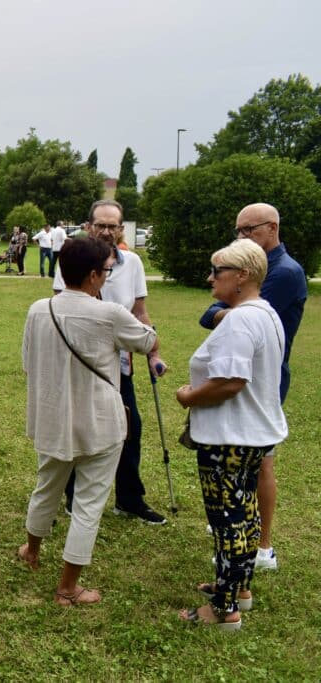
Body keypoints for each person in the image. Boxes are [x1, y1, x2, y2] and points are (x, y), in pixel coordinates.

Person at [19, 238, 157, 606]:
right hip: (100, 421)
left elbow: (27, 362)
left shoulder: (38, 309)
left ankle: (31, 550)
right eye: (107, 270)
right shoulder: (109, 313)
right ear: (95, 275)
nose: (107, 276)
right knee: (89, 503)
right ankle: (67, 587)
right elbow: (147, 340)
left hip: (53, 417)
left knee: (47, 486)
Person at [176, 239, 286, 631]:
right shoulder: (265, 313)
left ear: (242, 276)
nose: (210, 279)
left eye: (216, 271)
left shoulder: (240, 319)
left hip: (229, 437)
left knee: (228, 520)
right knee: (246, 513)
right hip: (252, 434)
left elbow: (230, 382)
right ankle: (238, 589)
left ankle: (223, 610)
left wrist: (188, 396)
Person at [197, 203, 306, 571]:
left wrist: (232, 311)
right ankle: (245, 546)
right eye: (238, 230)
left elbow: (243, 315)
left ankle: (260, 548)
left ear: (272, 227)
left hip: (263, 379)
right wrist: (229, 310)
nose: (241, 236)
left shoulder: (285, 271)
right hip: (250, 370)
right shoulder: (258, 270)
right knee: (247, 466)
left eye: (249, 230)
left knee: (258, 464)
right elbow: (208, 314)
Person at [54, 199, 169, 525]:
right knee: (81, 429)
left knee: (130, 429)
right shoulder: (74, 259)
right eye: (100, 225)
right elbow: (63, 307)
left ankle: (130, 499)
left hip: (121, 364)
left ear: (120, 229)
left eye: (112, 226)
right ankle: (74, 497)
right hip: (83, 362)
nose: (106, 231)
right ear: (89, 226)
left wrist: (153, 353)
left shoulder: (132, 263)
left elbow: (140, 312)